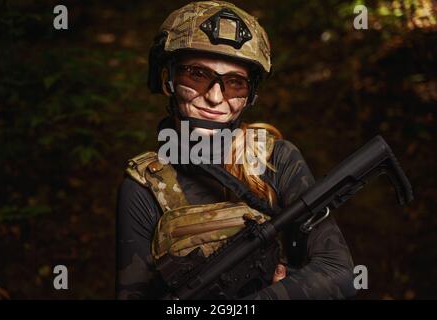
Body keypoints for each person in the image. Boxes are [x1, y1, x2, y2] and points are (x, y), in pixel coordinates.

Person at [116, 1, 356, 300]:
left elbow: (339, 271)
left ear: (250, 94)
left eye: (234, 83)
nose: (215, 98)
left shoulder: (275, 159)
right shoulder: (145, 186)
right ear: (169, 79)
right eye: (197, 75)